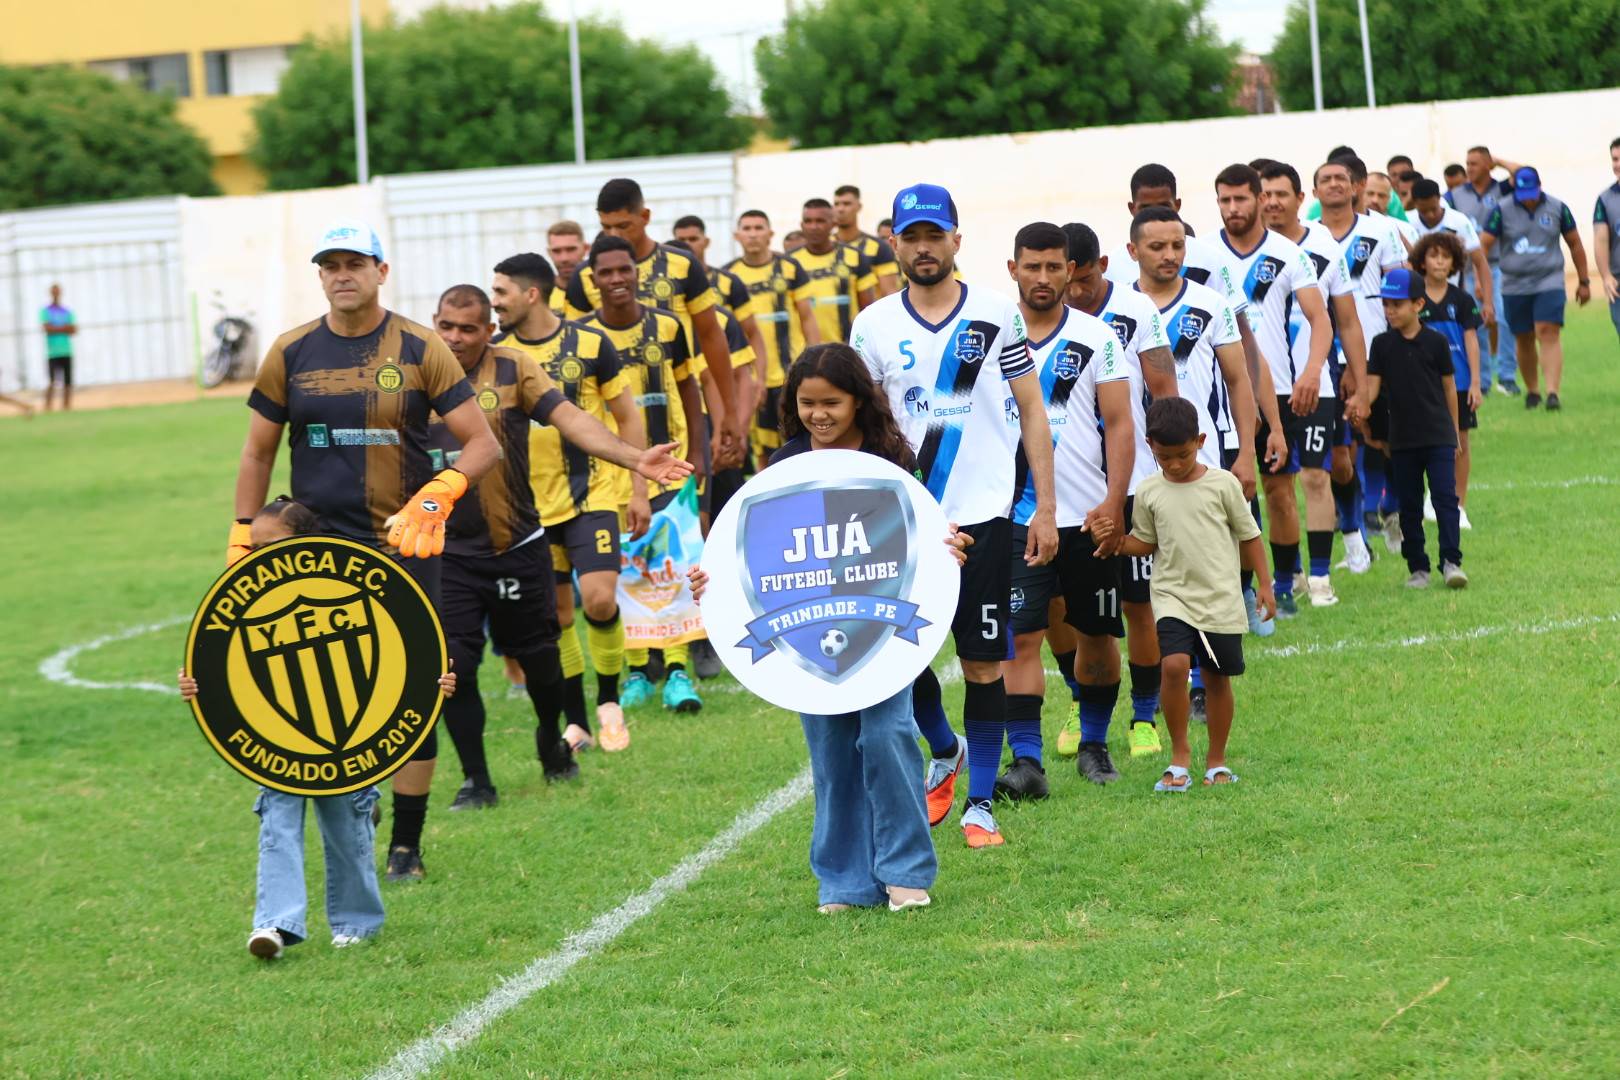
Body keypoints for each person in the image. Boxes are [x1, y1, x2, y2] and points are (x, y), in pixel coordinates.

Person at [233, 219, 500, 885]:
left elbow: (483, 443)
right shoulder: (291, 351)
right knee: (326, 687)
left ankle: (406, 845)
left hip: (404, 547)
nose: (341, 273)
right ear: (320, 275)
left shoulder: (419, 346)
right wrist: (242, 535)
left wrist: (439, 493)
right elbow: (258, 451)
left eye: (355, 261)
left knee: (418, 690)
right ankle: (356, 799)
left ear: (382, 271)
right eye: (330, 264)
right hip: (312, 555)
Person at [688, 344, 966, 913]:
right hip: (808, 633)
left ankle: (906, 872)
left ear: (860, 401)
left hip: (881, 627)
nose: (819, 414)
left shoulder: (891, 457)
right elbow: (755, 550)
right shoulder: (784, 465)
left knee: (889, 737)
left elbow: (923, 528)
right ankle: (844, 883)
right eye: (807, 403)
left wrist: (950, 547)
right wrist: (713, 583)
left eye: (832, 403)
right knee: (832, 753)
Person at [429, 283, 692, 803]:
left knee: (543, 659)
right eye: (446, 326)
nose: (455, 338)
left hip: (516, 540)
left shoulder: (514, 368)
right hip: (449, 549)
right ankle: (476, 779)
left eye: (468, 329)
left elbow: (572, 419)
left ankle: (554, 736)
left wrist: (633, 459)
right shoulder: (415, 371)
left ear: (489, 330)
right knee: (455, 664)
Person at [852, 183, 1058, 848]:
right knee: (901, 660)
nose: (922, 248)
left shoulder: (998, 312)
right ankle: (946, 745)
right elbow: (860, 426)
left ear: (956, 242)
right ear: (894, 243)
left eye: (933, 236)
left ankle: (979, 807)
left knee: (982, 664)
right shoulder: (872, 324)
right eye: (910, 237)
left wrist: (1044, 508)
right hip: (907, 520)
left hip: (987, 516)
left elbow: (1033, 410)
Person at [181, 498, 459, 956]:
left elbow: (409, 652)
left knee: (347, 822)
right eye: (253, 547)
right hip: (280, 738)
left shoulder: (354, 582)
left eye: (270, 545)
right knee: (278, 818)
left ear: (304, 543)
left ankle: (358, 921)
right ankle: (275, 923)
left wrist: (436, 683)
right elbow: (217, 661)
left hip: (352, 734)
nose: (257, 556)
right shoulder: (244, 596)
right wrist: (199, 687)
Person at [996, 222, 1134, 800]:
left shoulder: (1097, 337)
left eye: (1056, 267)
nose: (1045, 278)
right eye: (1033, 266)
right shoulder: (990, 338)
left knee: (1097, 634)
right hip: (1013, 517)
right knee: (1020, 637)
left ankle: (1095, 743)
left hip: (1087, 515)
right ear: (1013, 270)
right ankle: (1026, 760)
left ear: (1071, 270)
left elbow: (1122, 422)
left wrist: (1114, 500)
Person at [487, 254, 644, 752]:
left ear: (531, 294)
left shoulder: (591, 343)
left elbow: (626, 415)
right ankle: (576, 721)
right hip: (529, 506)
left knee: (598, 598)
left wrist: (638, 487)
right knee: (556, 616)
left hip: (592, 492)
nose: (495, 303)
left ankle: (610, 700)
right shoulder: (495, 353)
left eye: (501, 293)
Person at [1095, 397, 1274, 792]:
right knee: (1174, 666)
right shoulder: (1148, 491)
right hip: (1172, 596)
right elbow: (1145, 542)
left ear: (1201, 440)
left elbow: (1251, 535)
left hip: (1219, 598)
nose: (1174, 464)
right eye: (1164, 457)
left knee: (1216, 679)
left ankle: (1216, 761)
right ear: (1150, 447)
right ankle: (1179, 757)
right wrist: (1118, 543)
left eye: (1182, 454)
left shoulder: (1224, 485)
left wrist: (1264, 584)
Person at [1061, 222, 1179, 773]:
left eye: (1083, 280)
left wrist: (1169, 472)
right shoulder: (1039, 320)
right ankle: (1081, 701)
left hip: (1129, 488)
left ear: (1102, 266)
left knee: (1138, 605)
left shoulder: (1136, 312)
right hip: (1068, 492)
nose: (1075, 292)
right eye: (1068, 281)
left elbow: (1164, 393)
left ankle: (1143, 717)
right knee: (1067, 608)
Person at [578, 235, 710, 713]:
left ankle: (677, 671)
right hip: (606, 473)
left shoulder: (669, 326)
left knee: (671, 569)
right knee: (625, 573)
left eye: (624, 270)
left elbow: (689, 391)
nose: (616, 279)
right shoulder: (582, 338)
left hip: (669, 466)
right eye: (606, 272)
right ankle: (637, 672)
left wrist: (699, 452)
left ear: (636, 272)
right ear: (591, 280)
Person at [1218, 163, 1334, 617]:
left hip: (1280, 390)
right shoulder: (1203, 254)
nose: (1235, 208)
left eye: (1242, 198)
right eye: (1225, 200)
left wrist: (1311, 372)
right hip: (1223, 397)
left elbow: (1320, 319)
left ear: (1258, 199)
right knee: (1230, 496)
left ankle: (1285, 583)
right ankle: (1242, 590)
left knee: (1281, 491)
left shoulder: (1289, 254)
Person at [564, 178, 742, 470]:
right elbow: (573, 353)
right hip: (611, 426)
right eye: (606, 227)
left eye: (622, 226)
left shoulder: (681, 264)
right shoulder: (586, 275)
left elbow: (711, 336)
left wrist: (729, 412)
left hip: (680, 414)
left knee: (693, 512)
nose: (613, 234)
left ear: (645, 217)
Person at [1259, 160, 1370, 594]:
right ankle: (1290, 575)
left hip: (1317, 384)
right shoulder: (1229, 255)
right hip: (1263, 391)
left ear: (1300, 199)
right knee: (1276, 487)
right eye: (1264, 194)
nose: (1271, 202)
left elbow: (1348, 320)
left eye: (1281, 193)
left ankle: (1322, 576)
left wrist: (1359, 385)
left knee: (1317, 475)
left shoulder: (1322, 246)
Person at [1365, 268, 1467, 589]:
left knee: (1444, 499)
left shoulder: (1436, 342)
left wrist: (1454, 431)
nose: (1390, 311)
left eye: (1397, 304)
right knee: (1409, 505)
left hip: (1437, 435)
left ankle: (1451, 562)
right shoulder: (1381, 345)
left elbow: (1450, 388)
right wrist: (1358, 409)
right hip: (1402, 439)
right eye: (1386, 304)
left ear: (1418, 303)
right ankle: (1418, 567)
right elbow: (1371, 390)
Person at [1480, 166, 1592, 410]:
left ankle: (1553, 393)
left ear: (1540, 186)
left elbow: (1575, 244)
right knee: (1524, 337)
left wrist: (1584, 281)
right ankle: (1533, 390)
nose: (1528, 199)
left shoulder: (1558, 208)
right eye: (1523, 193)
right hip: (1514, 284)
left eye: (1531, 192)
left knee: (1548, 330)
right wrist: (1481, 281)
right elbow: (1483, 246)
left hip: (1548, 279)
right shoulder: (1501, 210)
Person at [726, 210, 821, 465]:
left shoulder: (789, 268)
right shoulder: (730, 276)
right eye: (747, 228)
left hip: (791, 374)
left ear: (770, 234)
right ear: (737, 235)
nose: (753, 234)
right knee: (763, 450)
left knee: (802, 440)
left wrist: (817, 363)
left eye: (759, 228)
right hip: (753, 379)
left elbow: (807, 318)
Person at [1411, 233, 1482, 528]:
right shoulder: (1414, 300)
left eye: (1446, 256)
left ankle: (1458, 504)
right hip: (1424, 383)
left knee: (1460, 440)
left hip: (1460, 382)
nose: (1440, 261)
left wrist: (1476, 382)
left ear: (1454, 262)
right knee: (1423, 441)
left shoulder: (1462, 300)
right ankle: (1430, 495)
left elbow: (1471, 341)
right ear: (1422, 261)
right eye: (1433, 255)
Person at [1447, 146, 1519, 395]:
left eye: (1475, 163)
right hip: (1465, 269)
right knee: (1475, 324)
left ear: (1487, 165)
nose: (1469, 168)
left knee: (1502, 318)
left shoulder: (1501, 189)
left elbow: (1523, 174)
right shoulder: (1455, 195)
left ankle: (1507, 375)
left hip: (1497, 265)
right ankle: (1484, 380)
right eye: (1467, 163)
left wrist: (1498, 160)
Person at [670, 214, 770, 379]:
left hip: (727, 377)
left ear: (706, 241)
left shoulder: (728, 281)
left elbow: (752, 333)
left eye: (693, 239)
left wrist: (758, 379)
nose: (687, 245)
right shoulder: (667, 289)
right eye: (682, 240)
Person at [791, 198, 878, 345]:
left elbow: (868, 310)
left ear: (833, 224)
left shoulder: (854, 257)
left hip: (846, 349)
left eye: (820, 221)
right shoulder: (790, 262)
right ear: (801, 225)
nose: (814, 227)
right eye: (808, 221)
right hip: (804, 352)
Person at [1410, 178, 1494, 317]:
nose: (1430, 215)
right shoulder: (1407, 221)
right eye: (1424, 211)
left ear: (1439, 199)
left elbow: (1480, 262)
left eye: (1433, 209)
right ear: (1415, 204)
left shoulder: (1459, 221)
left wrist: (1488, 303)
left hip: (1452, 297)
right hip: (1418, 298)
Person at [832, 184, 901, 295]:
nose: (840, 209)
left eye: (846, 204)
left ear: (859, 207)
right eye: (836, 204)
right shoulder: (826, 246)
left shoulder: (879, 247)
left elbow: (890, 292)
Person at [1596, 137, 1620, 345]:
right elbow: (1601, 239)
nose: (1617, 165)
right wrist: (1605, 275)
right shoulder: (1605, 200)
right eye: (1615, 159)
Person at [41, 284, 75, 412]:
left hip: (67, 350)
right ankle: (48, 407)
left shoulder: (67, 310)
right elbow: (47, 329)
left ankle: (66, 407)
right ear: (50, 293)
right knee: (52, 381)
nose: (56, 293)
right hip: (53, 352)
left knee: (68, 382)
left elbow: (73, 330)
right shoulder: (46, 311)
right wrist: (64, 328)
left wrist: (55, 328)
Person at [546, 221, 587, 315]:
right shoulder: (541, 295)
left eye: (571, 249)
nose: (564, 258)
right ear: (549, 253)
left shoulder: (600, 290)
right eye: (556, 251)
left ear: (586, 249)